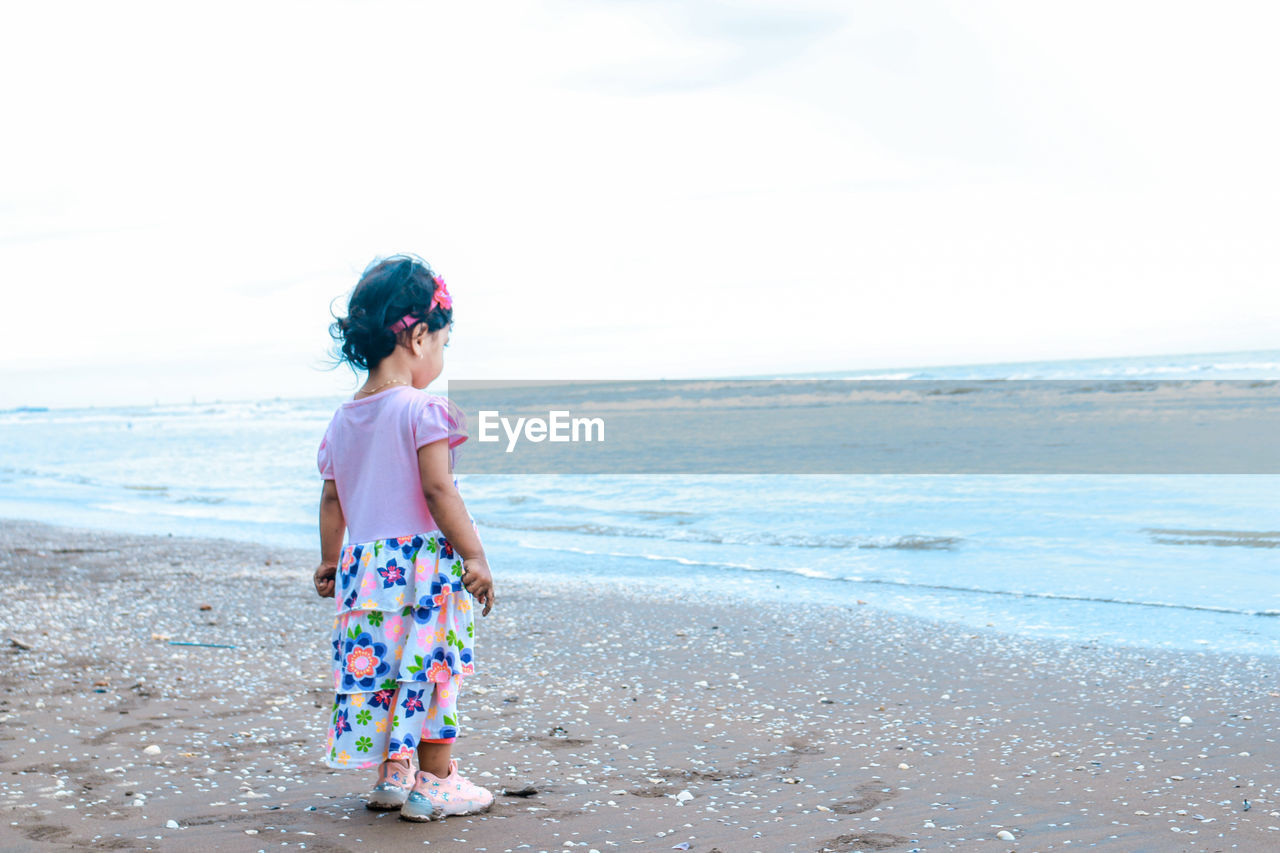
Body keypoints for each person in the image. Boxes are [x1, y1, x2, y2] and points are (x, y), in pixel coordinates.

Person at [312, 253, 496, 822]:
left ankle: (394, 772)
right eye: (441, 344)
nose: (438, 357)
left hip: (365, 572)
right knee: (431, 670)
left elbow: (332, 499)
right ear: (418, 337)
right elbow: (439, 491)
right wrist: (474, 554)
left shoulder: (343, 419)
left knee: (381, 667)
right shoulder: (424, 409)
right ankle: (436, 782)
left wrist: (328, 560)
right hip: (421, 571)